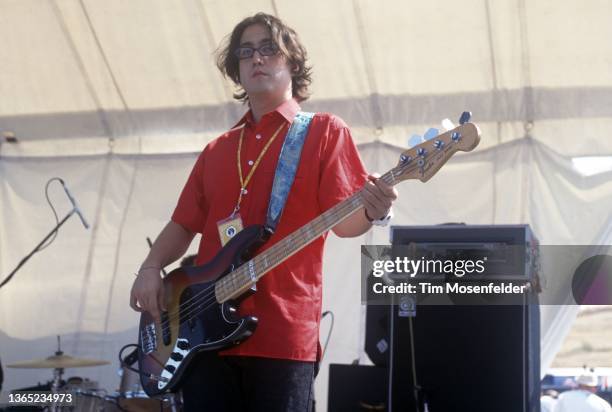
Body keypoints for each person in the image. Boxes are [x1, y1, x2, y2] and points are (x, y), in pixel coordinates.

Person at [129, 12, 398, 412]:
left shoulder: (324, 131)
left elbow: (345, 224)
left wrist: (374, 211)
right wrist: (150, 267)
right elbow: (184, 224)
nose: (257, 58)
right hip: (203, 341)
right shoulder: (218, 149)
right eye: (246, 52)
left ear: (292, 62)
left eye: (269, 49)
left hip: (283, 336)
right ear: (236, 70)